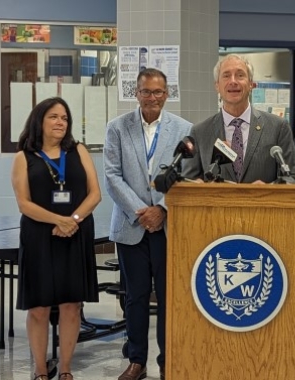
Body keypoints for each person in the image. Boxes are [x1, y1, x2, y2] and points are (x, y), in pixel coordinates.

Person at [104, 68, 192, 380]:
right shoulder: (117, 128)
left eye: (158, 92)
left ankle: (169, 360)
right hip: (132, 227)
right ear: (136, 93)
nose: (152, 97)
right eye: (146, 91)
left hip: (169, 228)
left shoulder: (184, 129)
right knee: (136, 296)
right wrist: (144, 211)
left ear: (167, 94)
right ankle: (137, 361)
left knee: (170, 297)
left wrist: (163, 210)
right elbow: (112, 176)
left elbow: (187, 177)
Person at [11, 97, 102, 380]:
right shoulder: (24, 157)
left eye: (64, 117)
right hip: (39, 236)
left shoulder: (78, 151)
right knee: (38, 307)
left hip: (75, 234)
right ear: (39, 121)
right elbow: (24, 204)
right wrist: (58, 220)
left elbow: (95, 194)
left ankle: (65, 370)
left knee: (71, 304)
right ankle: (40, 370)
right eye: (54, 116)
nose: (60, 122)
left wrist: (72, 221)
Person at [182, 54, 295, 184]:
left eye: (240, 75)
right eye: (226, 75)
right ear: (217, 86)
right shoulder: (200, 132)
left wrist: (269, 188)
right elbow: (189, 181)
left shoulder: (278, 126)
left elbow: (293, 178)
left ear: (251, 84)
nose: (233, 81)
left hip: (261, 203)